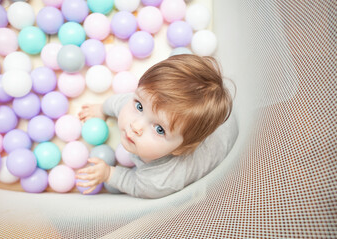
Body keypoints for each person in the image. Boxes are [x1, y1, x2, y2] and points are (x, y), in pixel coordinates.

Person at [76, 54, 238, 198]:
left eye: (159, 129)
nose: (136, 126)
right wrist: (102, 109)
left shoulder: (161, 181)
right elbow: (120, 102)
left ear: (179, 148)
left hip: (225, 136)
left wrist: (109, 173)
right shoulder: (144, 104)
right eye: (139, 106)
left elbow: (136, 184)